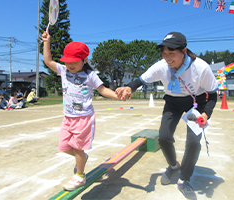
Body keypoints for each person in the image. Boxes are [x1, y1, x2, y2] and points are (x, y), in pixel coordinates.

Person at [115, 32, 218, 200]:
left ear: (184, 51)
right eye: (164, 53)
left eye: (172, 53)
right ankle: (173, 165)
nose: (167, 57)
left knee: (193, 142)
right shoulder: (162, 66)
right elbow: (140, 80)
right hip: (173, 102)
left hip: (195, 103)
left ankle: (184, 179)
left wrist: (206, 114)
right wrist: (128, 88)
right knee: (163, 137)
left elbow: (213, 95)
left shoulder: (201, 68)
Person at [42, 31, 120, 191]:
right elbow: (48, 60)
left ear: (84, 60)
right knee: (63, 146)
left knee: (78, 148)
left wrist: (118, 96)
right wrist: (46, 42)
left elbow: (103, 90)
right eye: (67, 61)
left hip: (84, 118)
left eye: (74, 62)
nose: (70, 65)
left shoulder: (90, 75)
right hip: (68, 118)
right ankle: (82, 158)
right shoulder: (63, 70)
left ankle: (80, 175)